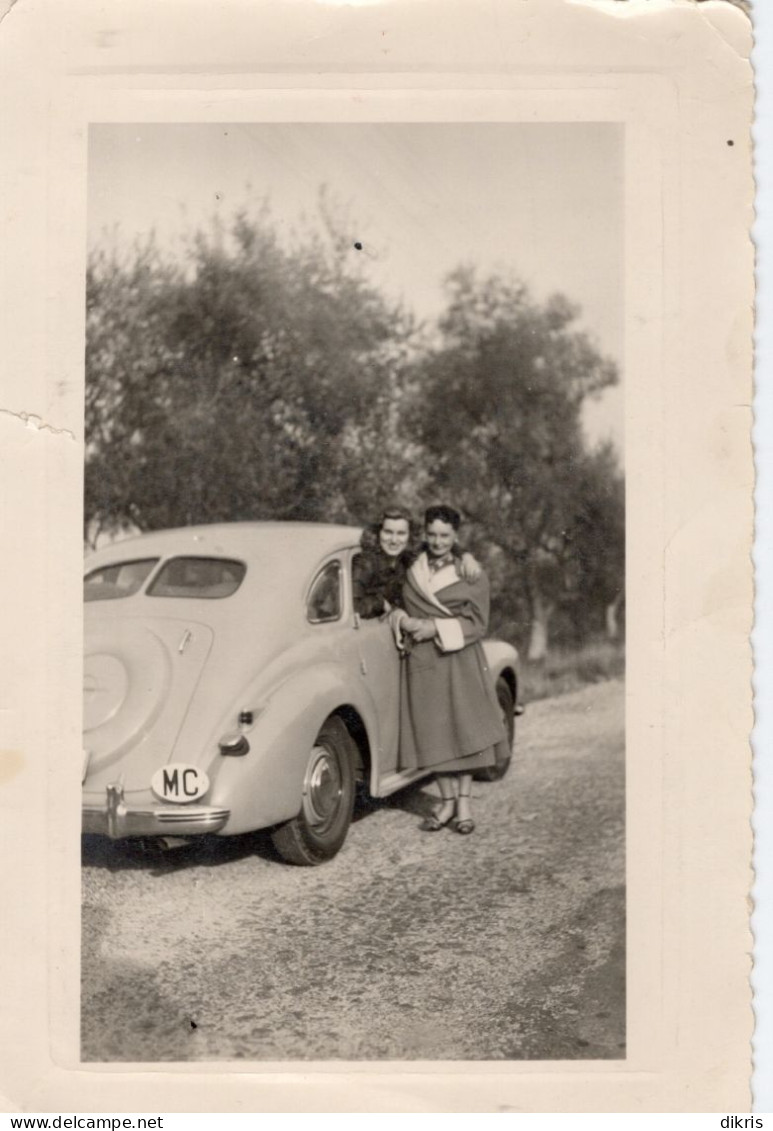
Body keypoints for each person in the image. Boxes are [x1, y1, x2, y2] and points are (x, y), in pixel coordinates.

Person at [392, 504, 508, 835]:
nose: (438, 541)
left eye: (445, 536)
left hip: (457, 657)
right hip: (423, 661)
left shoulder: (470, 572)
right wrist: (403, 620)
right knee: (434, 733)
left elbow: (478, 622)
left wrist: (434, 628)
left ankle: (464, 804)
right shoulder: (411, 566)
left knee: (464, 729)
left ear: (455, 536)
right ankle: (445, 803)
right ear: (424, 533)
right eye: (431, 534)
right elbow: (394, 599)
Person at [352, 505, 481, 619]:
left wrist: (466, 556)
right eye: (388, 532)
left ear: (409, 535)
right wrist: (380, 603)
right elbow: (352, 606)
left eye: (401, 533)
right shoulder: (365, 563)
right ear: (378, 532)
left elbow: (440, 545)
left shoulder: (407, 556)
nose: (394, 540)